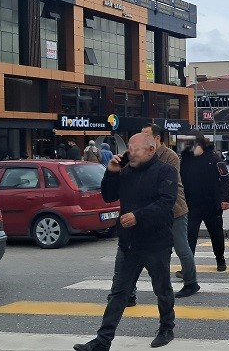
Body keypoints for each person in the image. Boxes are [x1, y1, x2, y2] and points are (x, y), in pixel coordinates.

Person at [73, 133, 178, 351]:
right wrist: (111, 173)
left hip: (156, 242)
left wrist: (138, 216)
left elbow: (166, 203)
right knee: (119, 292)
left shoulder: (165, 171)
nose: (131, 152)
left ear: (151, 150)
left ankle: (166, 327)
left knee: (162, 289)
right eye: (129, 148)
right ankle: (103, 340)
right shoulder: (126, 171)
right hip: (129, 243)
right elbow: (109, 196)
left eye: (136, 149)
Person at [141, 124, 200, 298]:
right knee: (144, 249)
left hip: (175, 210)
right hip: (153, 212)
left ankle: (191, 282)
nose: (142, 138)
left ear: (157, 138)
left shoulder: (170, 156)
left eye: (145, 135)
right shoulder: (143, 155)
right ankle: (129, 289)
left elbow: (167, 182)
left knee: (182, 248)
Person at [181, 131, 229, 272]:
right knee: (189, 237)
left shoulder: (215, 158)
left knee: (216, 235)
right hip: (192, 205)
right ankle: (187, 267)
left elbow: (225, 179)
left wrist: (226, 199)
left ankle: (220, 259)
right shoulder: (185, 160)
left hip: (212, 205)